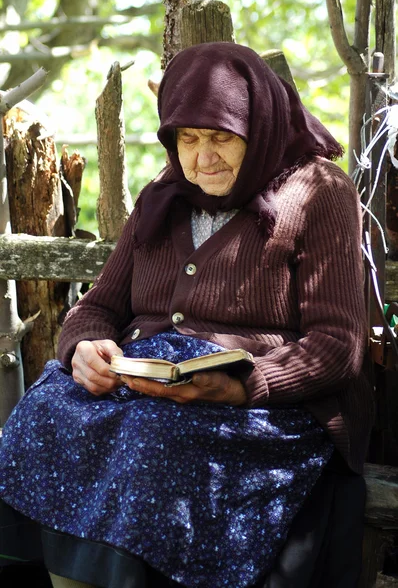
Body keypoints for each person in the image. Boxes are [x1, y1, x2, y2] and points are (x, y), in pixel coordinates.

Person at [0, 42, 373, 588]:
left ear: (261, 126)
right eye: (188, 140)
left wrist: (245, 385)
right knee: (45, 410)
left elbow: (339, 346)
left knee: (150, 445)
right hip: (148, 389)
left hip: (264, 403)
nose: (203, 158)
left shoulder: (318, 192)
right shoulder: (165, 193)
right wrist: (81, 348)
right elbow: (98, 306)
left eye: (221, 137)